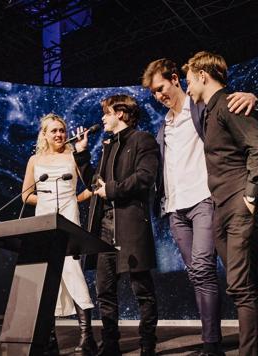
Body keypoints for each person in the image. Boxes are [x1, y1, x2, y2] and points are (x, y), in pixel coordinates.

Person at [141, 58, 258, 356]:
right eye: (153, 93)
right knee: (196, 273)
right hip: (175, 209)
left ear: (175, 79)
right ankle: (213, 340)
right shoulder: (163, 127)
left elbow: (232, 111)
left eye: (160, 88)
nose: (158, 96)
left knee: (205, 268)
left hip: (204, 200)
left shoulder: (200, 109)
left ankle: (211, 344)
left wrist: (254, 99)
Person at [183, 51, 258, 356]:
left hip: (239, 206)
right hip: (222, 208)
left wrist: (250, 195)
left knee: (240, 287)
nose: (188, 89)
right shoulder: (208, 111)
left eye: (189, 81)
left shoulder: (228, 103)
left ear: (202, 76)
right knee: (243, 286)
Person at [73, 94, 159, 356]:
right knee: (105, 291)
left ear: (121, 113)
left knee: (141, 289)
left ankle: (147, 343)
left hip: (130, 224)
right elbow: (94, 185)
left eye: (107, 113)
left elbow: (145, 178)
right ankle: (110, 344)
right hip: (104, 227)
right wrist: (82, 154)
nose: (103, 118)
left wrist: (111, 189)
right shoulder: (108, 146)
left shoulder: (142, 140)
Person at [22, 113, 97, 355]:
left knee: (72, 272)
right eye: (53, 131)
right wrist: (46, 200)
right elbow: (25, 195)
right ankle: (49, 338)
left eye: (62, 130)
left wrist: (74, 199)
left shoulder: (73, 155)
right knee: (47, 277)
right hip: (43, 221)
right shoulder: (35, 160)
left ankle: (87, 338)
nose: (59, 134)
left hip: (68, 219)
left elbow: (92, 185)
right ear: (44, 134)